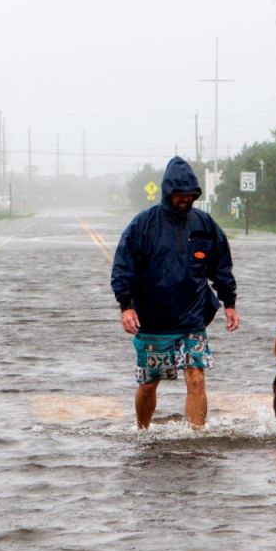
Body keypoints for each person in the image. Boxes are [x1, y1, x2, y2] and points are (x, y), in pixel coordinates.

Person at [111, 157, 240, 430]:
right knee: (148, 384)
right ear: (168, 193)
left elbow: (221, 266)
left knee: (196, 378)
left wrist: (229, 302)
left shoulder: (205, 225)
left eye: (189, 195)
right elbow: (123, 267)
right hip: (153, 321)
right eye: (179, 194)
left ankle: (197, 437)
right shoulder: (143, 225)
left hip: (192, 319)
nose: (184, 199)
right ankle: (143, 433)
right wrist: (126, 306)